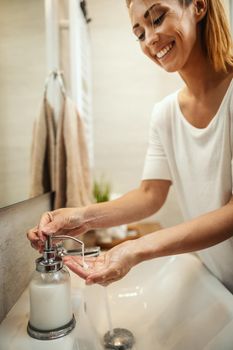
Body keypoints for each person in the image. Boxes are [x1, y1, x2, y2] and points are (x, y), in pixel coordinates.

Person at [27, 0, 233, 291]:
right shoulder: (165, 114)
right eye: (139, 33)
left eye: (158, 18)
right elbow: (150, 194)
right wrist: (82, 217)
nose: (150, 39)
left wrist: (136, 249)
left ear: (198, 6)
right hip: (219, 282)